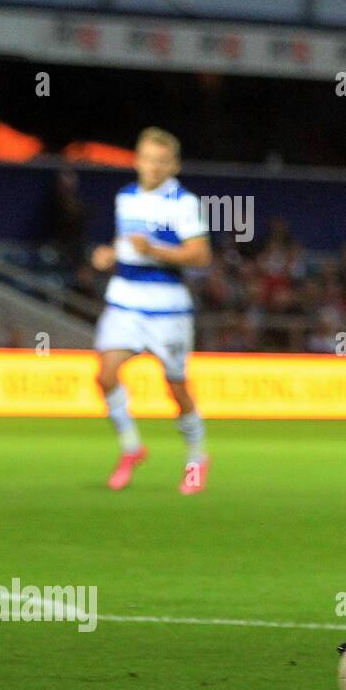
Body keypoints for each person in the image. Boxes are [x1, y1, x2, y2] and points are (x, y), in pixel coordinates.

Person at [91, 127, 212, 494]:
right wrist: (110, 254)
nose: (154, 167)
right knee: (106, 375)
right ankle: (132, 447)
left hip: (167, 309)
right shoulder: (125, 197)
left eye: (162, 161)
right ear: (137, 160)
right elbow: (128, 242)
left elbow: (201, 256)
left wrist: (154, 250)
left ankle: (196, 459)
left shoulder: (183, 202)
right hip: (125, 302)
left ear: (174, 165)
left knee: (176, 388)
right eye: (148, 159)